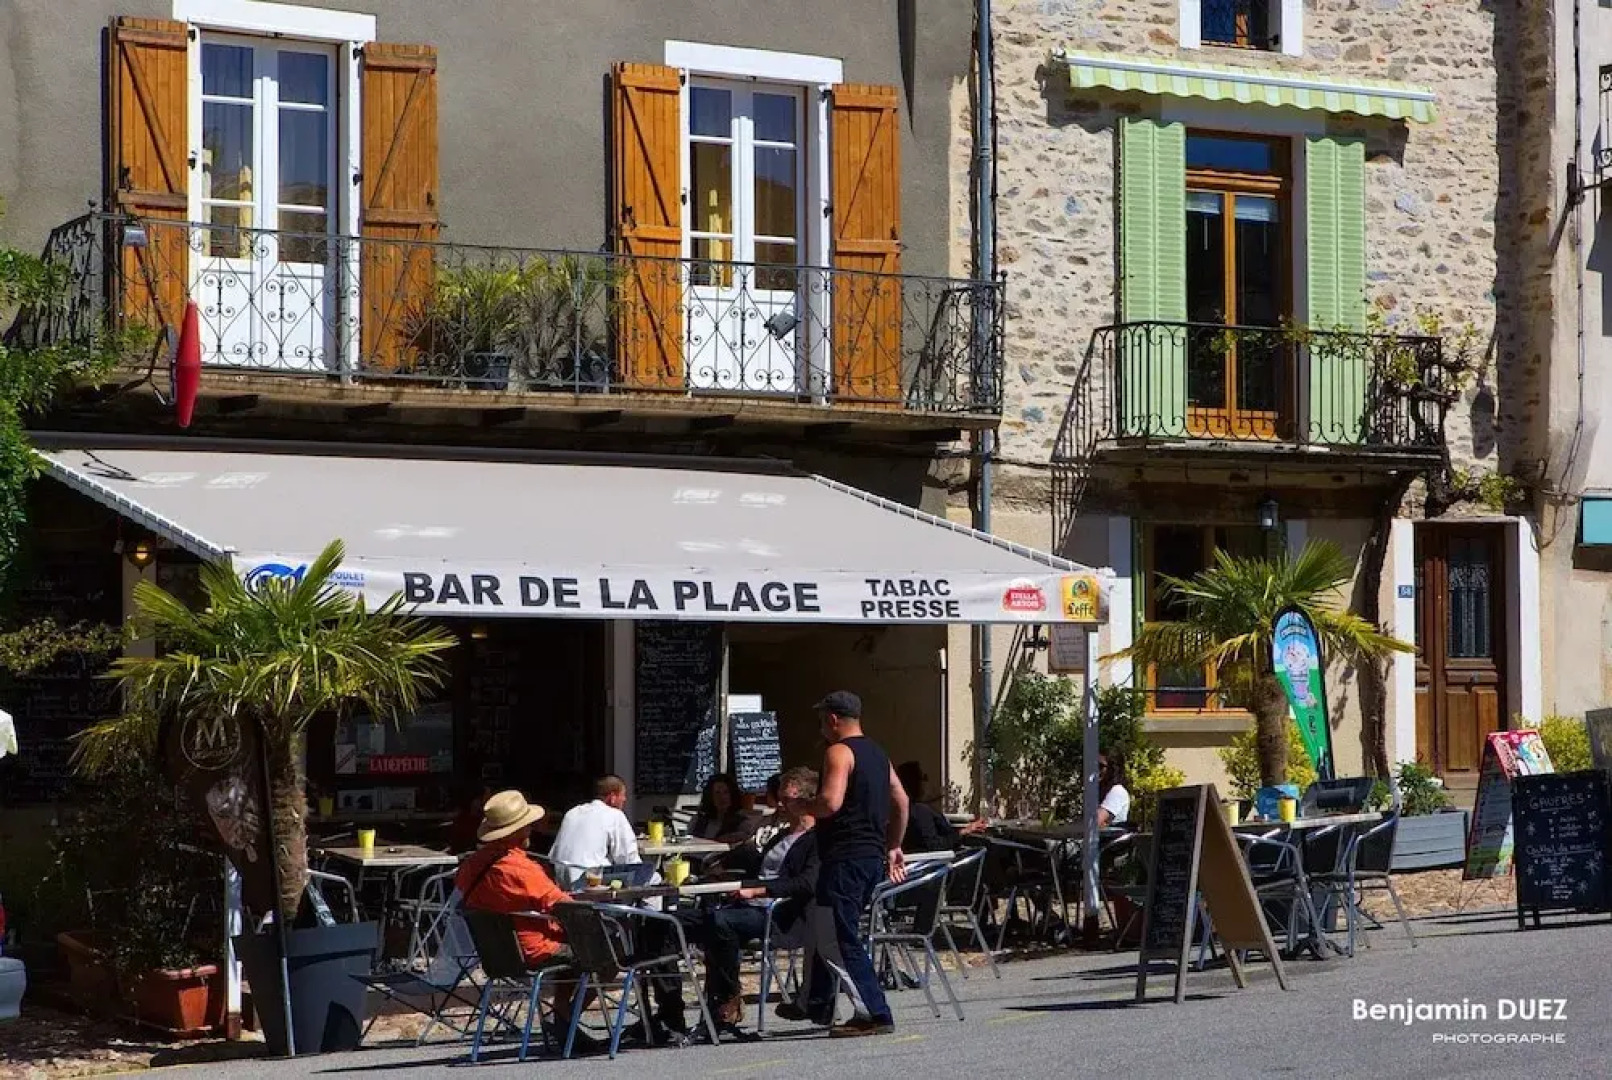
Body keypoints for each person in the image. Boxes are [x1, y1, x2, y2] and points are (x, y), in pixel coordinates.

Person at [788, 690, 908, 1038]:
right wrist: (894, 844)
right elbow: (901, 799)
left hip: (844, 857)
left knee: (838, 938)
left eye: (822, 719)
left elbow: (830, 802)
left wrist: (801, 807)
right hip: (869, 856)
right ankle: (819, 1001)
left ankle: (873, 1011)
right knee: (830, 931)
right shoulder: (877, 753)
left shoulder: (838, 752)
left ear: (833, 719)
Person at [699, 767, 821, 1027]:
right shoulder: (779, 835)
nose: (781, 805)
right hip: (753, 904)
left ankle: (728, 997)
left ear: (807, 802)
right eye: (780, 797)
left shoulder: (816, 840)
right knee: (687, 921)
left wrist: (757, 890)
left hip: (780, 914)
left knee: (719, 923)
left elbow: (805, 883)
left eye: (788, 799)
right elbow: (757, 869)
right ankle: (673, 1010)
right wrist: (726, 876)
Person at [455, 790, 570, 966]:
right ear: (518, 830)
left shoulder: (471, 864)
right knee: (602, 955)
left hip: (493, 955)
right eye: (528, 825)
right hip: (535, 950)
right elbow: (564, 906)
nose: (531, 829)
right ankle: (570, 994)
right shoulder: (520, 869)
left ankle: (565, 994)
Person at [548, 775, 643, 890]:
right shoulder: (614, 815)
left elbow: (554, 855)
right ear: (612, 797)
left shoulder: (572, 813)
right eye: (623, 795)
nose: (625, 799)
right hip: (590, 886)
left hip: (562, 884)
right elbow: (629, 859)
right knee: (655, 879)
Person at [895, 761, 987, 853]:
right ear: (916, 783)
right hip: (939, 862)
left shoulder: (901, 809)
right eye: (924, 778)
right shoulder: (920, 811)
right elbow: (933, 845)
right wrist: (963, 832)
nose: (926, 782)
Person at [689, 772, 748, 842]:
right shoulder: (697, 821)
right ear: (710, 796)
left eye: (726, 792)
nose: (722, 797)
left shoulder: (741, 823)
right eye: (717, 793)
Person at [446, 782, 493, 854]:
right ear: (474, 800)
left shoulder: (486, 818)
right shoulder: (463, 821)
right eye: (483, 798)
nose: (486, 801)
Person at [1098, 748, 1131, 827]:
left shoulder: (1117, 791)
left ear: (1113, 768)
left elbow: (1093, 822)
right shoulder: (1102, 790)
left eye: (1100, 766)